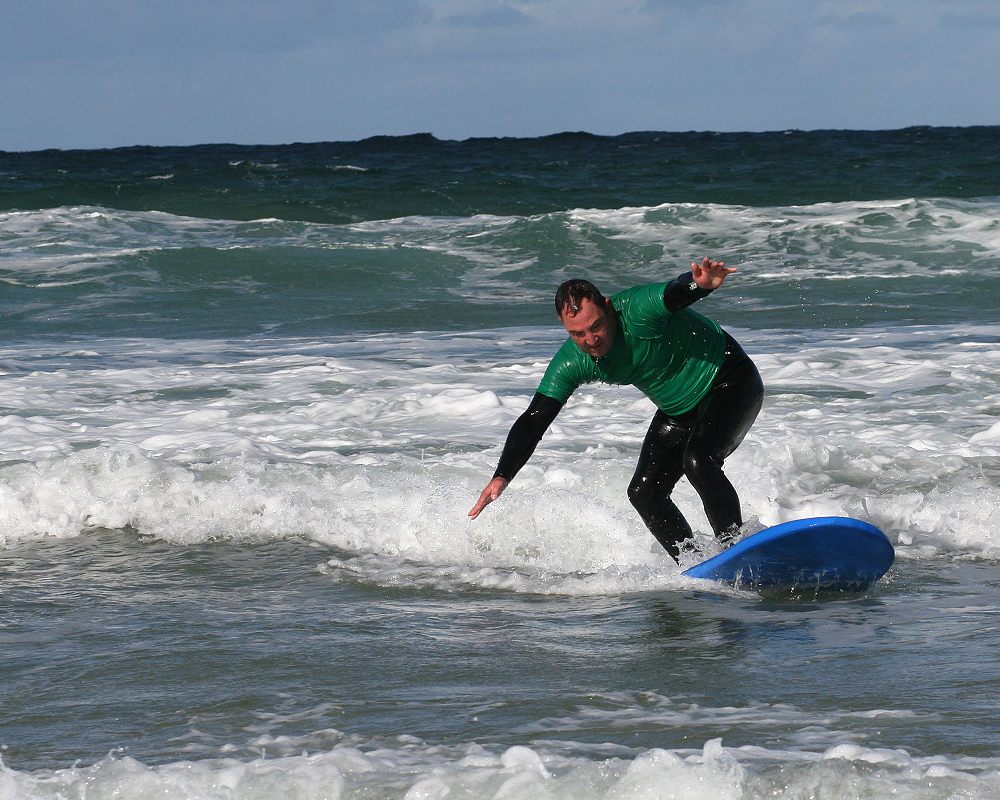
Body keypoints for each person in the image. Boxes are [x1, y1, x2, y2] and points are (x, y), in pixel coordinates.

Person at [468, 257, 764, 561]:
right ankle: (698, 563)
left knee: (699, 461)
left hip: (731, 380)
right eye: (578, 334)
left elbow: (674, 293)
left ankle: (737, 551)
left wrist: (698, 285)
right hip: (679, 409)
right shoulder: (573, 361)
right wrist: (502, 474)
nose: (591, 339)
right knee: (644, 494)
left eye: (596, 326)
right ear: (564, 326)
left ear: (608, 308)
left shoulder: (636, 310)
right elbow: (535, 419)